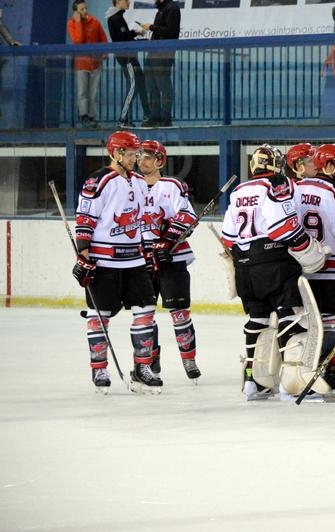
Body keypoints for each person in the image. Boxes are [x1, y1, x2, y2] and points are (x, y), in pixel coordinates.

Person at [221, 144, 330, 401]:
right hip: (274, 262)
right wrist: (307, 249)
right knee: (291, 317)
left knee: (257, 320)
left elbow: (228, 238)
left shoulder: (239, 191)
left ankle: (254, 382)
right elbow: (283, 227)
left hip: (244, 266)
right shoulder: (277, 184)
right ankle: (291, 386)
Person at [73, 131, 161, 394]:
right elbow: (85, 219)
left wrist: (148, 252)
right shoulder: (99, 181)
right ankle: (99, 368)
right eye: (131, 153)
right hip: (105, 260)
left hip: (133, 259)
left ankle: (143, 367)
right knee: (100, 316)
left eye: (137, 153)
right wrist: (83, 255)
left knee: (146, 310)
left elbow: (142, 219)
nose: (135, 158)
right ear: (116, 153)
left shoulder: (138, 180)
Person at [294, 143, 335, 397]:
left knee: (306, 324)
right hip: (333, 272)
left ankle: (303, 373)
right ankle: (330, 375)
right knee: (334, 324)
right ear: (330, 166)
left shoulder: (295, 189)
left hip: (301, 271)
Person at [137, 140, 201, 383]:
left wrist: (167, 240)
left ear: (160, 161)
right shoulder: (129, 186)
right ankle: (151, 360)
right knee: (144, 314)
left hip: (172, 258)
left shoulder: (172, 185)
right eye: (140, 156)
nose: (142, 161)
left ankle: (189, 359)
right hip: (140, 260)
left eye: (148, 157)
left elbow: (187, 215)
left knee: (180, 313)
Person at [105, 0, 152, 128]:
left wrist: (135, 34)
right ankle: (123, 119)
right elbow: (122, 39)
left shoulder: (118, 17)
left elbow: (125, 36)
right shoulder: (115, 18)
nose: (129, 2)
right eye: (126, 0)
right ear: (118, 1)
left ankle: (147, 114)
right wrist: (137, 37)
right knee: (134, 84)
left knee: (140, 81)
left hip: (129, 56)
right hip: (126, 58)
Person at [67, 0, 108, 128]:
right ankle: (84, 116)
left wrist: (104, 54)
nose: (85, 11)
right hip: (81, 63)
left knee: (93, 92)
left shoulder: (95, 22)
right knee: (82, 92)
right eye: (81, 9)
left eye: (85, 8)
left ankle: (92, 116)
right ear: (76, 11)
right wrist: (78, 22)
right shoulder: (71, 23)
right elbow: (78, 40)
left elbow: (103, 39)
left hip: (95, 62)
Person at [141, 0, 181, 127]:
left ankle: (165, 117)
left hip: (164, 53)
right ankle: (155, 116)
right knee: (151, 86)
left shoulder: (172, 8)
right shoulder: (161, 9)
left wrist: (151, 27)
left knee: (164, 86)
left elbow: (170, 31)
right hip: (154, 52)